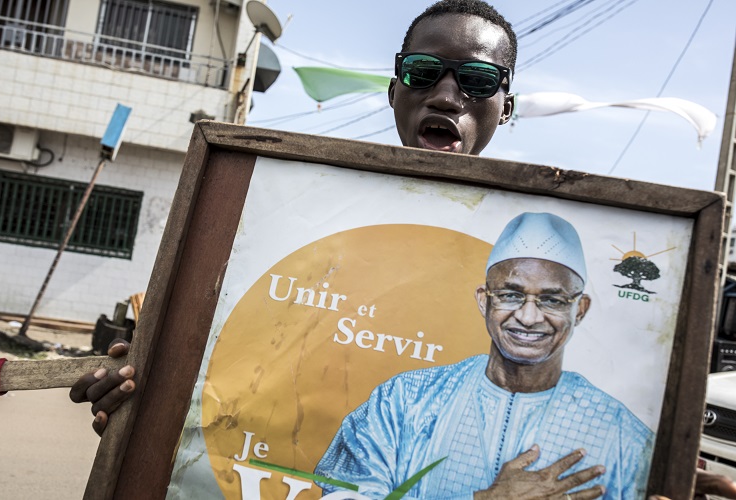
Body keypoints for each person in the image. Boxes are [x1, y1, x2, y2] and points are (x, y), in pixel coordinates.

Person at [70, 1, 736, 498]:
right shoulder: (396, 394)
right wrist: (150, 413)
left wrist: (667, 462)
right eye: (424, 72)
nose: (447, 94)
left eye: (477, 80)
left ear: (505, 106)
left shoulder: (619, 434)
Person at [315, 212, 651, 499]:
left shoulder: (623, 437)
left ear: (580, 310)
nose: (529, 317)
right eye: (510, 294)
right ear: (483, 301)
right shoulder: (404, 401)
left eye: (553, 300)